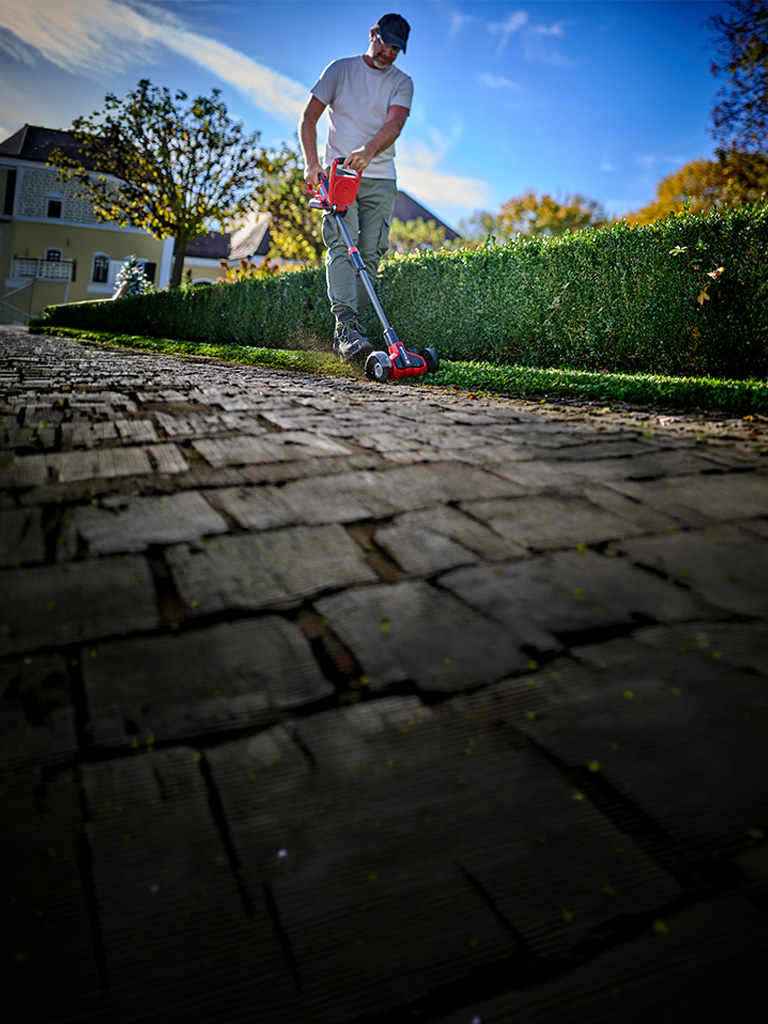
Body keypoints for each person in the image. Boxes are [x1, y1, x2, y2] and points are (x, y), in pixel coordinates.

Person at [300, 13, 413, 361]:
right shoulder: (340, 70)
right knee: (340, 245)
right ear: (372, 34)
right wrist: (312, 163)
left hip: (379, 176)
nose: (389, 53)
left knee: (371, 251)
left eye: (396, 48)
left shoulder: (402, 82)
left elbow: (394, 123)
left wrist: (368, 151)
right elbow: (309, 117)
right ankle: (345, 328)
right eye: (385, 43)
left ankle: (356, 332)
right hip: (339, 175)